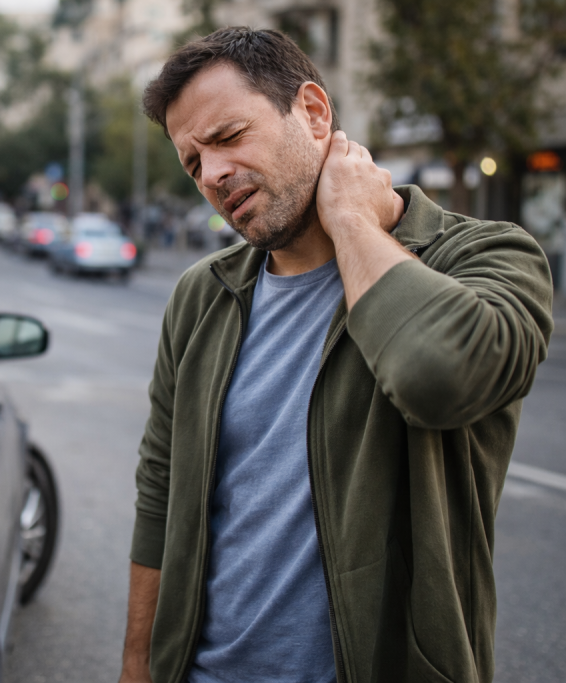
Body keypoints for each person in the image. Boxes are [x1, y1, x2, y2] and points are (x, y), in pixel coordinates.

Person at [120, 27, 553, 683]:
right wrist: (135, 667)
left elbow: (437, 374)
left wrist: (352, 218)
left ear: (315, 114)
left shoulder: (486, 257)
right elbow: (159, 493)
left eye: (229, 137)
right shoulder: (201, 296)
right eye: (192, 163)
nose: (211, 175)